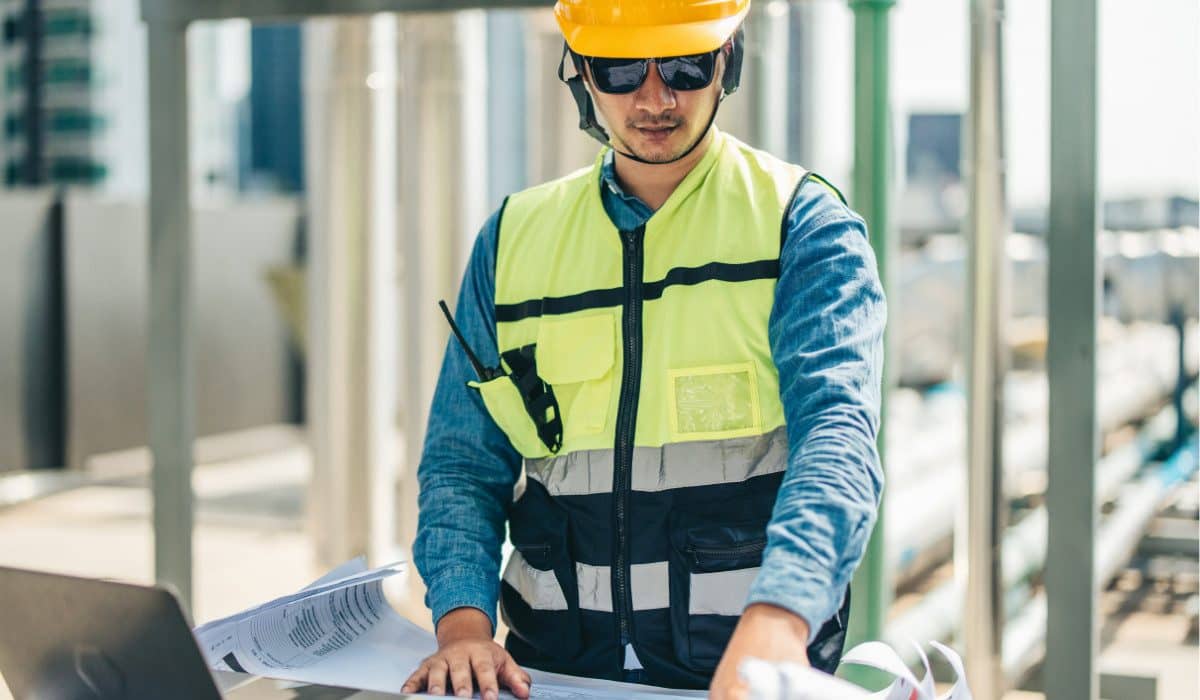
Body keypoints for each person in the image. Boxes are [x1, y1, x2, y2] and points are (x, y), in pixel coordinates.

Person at [403, 1, 885, 698]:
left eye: (685, 65)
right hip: (549, 673)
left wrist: (781, 616)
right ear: (581, 75)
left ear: (729, 61)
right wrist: (463, 630)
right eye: (623, 69)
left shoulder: (801, 229)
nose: (655, 98)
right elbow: (460, 465)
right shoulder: (513, 241)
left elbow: (838, 438)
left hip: (745, 673)